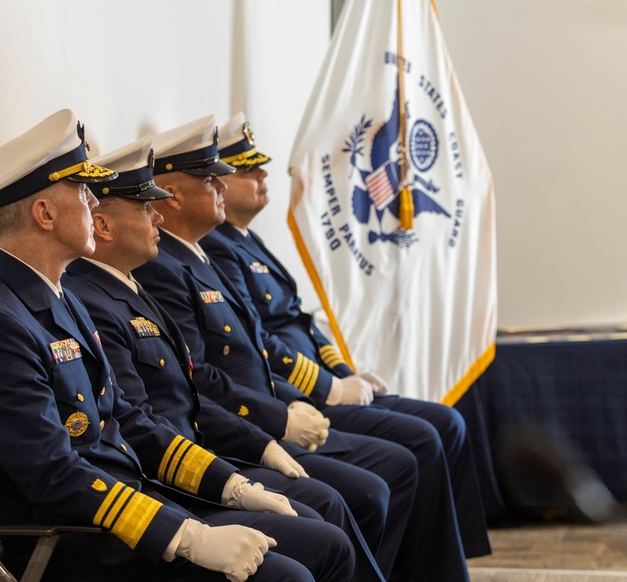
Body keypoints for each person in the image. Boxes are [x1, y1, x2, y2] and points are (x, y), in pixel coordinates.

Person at [0, 109, 353, 581]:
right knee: (295, 573)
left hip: (126, 511)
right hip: (78, 539)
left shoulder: (58, 297)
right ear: (45, 213)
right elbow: (54, 476)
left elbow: (129, 420)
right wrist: (188, 537)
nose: (92, 200)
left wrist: (231, 485)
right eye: (81, 189)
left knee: (326, 542)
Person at [62, 135, 384, 581]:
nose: (157, 214)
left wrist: (250, 455)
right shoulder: (65, 301)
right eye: (144, 207)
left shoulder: (106, 290)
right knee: (321, 530)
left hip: (182, 466)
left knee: (333, 516)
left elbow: (175, 398)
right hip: (139, 498)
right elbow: (100, 441)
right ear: (101, 224)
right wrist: (215, 498)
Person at [129, 115, 421, 580]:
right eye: (210, 177)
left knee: (381, 475)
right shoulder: (157, 271)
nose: (222, 184)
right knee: (357, 492)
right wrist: (270, 432)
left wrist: (327, 381)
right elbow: (185, 391)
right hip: (215, 445)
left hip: (246, 424)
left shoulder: (194, 257)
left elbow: (268, 338)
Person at [201, 112, 491, 563]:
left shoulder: (246, 240)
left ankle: (442, 565)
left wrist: (343, 371)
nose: (262, 175)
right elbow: (261, 345)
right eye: (245, 169)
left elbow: (301, 320)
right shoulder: (217, 246)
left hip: (318, 384)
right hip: (296, 397)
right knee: (417, 446)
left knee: (445, 424)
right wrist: (329, 388)